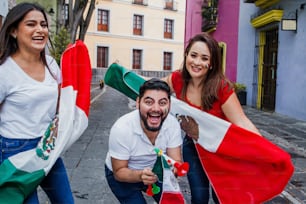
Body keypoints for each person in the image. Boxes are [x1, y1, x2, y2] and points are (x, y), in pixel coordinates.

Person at [162, 32, 262, 204]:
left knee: (221, 198)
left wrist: (263, 149)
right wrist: (122, 75)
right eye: (193, 55)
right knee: (199, 198)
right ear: (186, 55)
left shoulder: (221, 87)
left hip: (221, 151)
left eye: (204, 58)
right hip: (193, 146)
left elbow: (241, 122)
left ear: (211, 63)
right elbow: (152, 89)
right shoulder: (177, 79)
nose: (197, 62)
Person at [0, 3, 74, 203]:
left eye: (43, 24)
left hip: (47, 146)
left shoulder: (50, 64)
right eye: (31, 24)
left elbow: (61, 102)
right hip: (15, 151)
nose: (40, 30)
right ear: (14, 31)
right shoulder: (4, 71)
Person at [105, 78, 183, 204]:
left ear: (169, 105)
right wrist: (140, 175)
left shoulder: (172, 124)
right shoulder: (122, 128)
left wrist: (175, 169)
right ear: (138, 103)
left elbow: (176, 161)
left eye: (162, 103)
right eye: (149, 102)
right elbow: (119, 172)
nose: (156, 108)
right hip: (124, 175)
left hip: (156, 173)